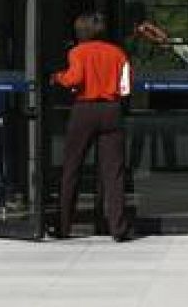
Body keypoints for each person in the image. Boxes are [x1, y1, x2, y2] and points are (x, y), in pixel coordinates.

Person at [51, 12, 134, 241]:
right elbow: (126, 88)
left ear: (80, 31)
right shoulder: (118, 52)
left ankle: (63, 226)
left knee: (72, 168)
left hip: (84, 110)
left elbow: (74, 79)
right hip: (111, 110)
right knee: (113, 172)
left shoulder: (77, 51)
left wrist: (58, 77)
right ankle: (118, 228)